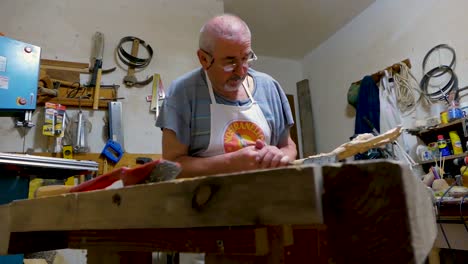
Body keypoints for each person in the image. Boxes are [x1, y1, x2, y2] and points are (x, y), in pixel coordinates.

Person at [156, 14, 297, 179]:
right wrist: (230, 163)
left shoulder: (269, 87)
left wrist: (280, 155)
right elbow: (171, 165)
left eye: (245, 58)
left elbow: (288, 146)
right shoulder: (182, 93)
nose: (241, 71)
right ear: (204, 59)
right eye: (230, 62)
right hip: (206, 200)